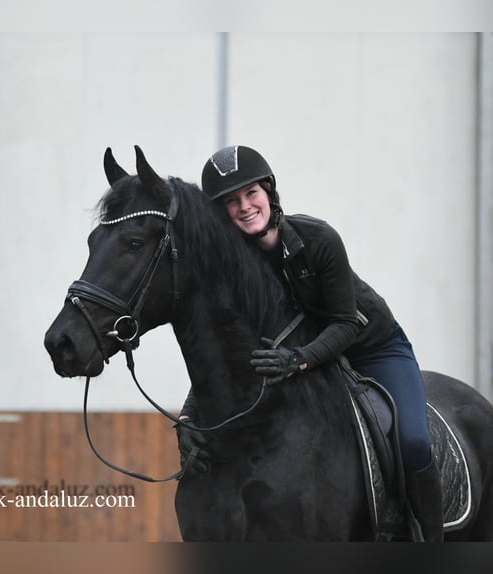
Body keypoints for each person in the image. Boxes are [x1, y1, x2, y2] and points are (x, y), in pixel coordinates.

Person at [177, 145, 443, 542]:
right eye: (231, 202)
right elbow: (228, 355)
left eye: (251, 194)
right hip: (301, 356)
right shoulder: (238, 268)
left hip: (370, 347)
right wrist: (187, 416)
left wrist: (297, 361)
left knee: (414, 442)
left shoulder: (318, 239)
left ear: (270, 193)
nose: (245, 206)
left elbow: (346, 324)